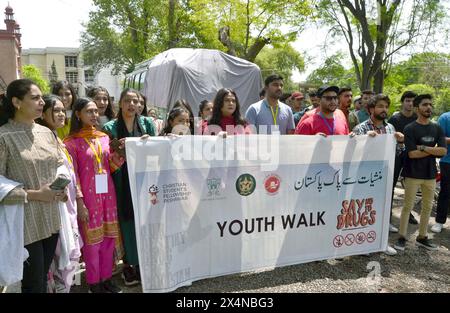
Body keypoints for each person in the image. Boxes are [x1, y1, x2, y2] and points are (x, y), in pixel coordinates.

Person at [0, 79, 65, 293]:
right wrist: (35, 194)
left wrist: (61, 188)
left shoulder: (47, 133)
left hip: (51, 219)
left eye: (41, 98)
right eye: (35, 98)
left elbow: (58, 167)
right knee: (33, 283)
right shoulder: (4, 137)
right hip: (23, 223)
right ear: (17, 102)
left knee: (43, 277)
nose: (41, 103)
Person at [64, 98, 123, 293]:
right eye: (89, 111)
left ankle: (106, 279)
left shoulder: (104, 138)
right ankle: (94, 283)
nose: (94, 115)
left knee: (108, 240)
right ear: (78, 114)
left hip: (108, 196)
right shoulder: (71, 143)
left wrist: (120, 155)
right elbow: (74, 176)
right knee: (92, 245)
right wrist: (80, 203)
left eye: (96, 111)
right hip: (88, 199)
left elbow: (110, 167)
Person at [102, 89, 156, 286]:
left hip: (145, 176)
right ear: (120, 104)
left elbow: (156, 148)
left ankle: (145, 263)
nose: (132, 105)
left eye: (136, 101)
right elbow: (107, 154)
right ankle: (128, 265)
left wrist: (144, 145)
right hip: (121, 180)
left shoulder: (148, 124)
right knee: (126, 221)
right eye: (127, 101)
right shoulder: (110, 127)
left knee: (145, 218)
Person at [36, 95, 82, 293]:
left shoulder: (57, 139)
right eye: (56, 110)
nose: (61, 114)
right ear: (43, 113)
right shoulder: (40, 139)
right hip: (54, 207)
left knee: (70, 257)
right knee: (57, 259)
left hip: (68, 205)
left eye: (63, 110)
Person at [351, 94, 405, 256]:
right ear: (371, 109)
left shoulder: (390, 128)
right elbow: (352, 152)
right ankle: (361, 244)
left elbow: (398, 152)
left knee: (382, 209)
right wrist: (364, 140)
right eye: (380, 106)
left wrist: (401, 142)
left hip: (384, 176)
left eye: (386, 106)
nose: (384, 110)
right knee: (364, 210)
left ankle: (381, 243)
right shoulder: (361, 128)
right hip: (364, 177)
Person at [394, 94, 447, 251]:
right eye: (425, 105)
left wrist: (423, 148)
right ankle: (402, 237)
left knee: (427, 208)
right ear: (417, 108)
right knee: (407, 207)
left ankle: (422, 237)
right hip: (412, 174)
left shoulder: (437, 127)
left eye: (430, 104)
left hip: (430, 174)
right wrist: (433, 150)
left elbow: (443, 151)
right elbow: (411, 154)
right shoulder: (410, 128)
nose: (428, 107)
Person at [388, 91, 419, 225]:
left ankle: (408, 212)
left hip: (412, 156)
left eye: (413, 101)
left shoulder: (418, 118)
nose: (410, 103)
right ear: (402, 102)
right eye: (407, 100)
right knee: (391, 185)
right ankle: (387, 213)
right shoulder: (394, 119)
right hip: (396, 156)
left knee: (411, 187)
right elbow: (389, 136)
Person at [430, 106, 450, 233]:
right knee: (446, 191)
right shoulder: (445, 117)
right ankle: (439, 221)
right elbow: (440, 139)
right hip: (447, 160)